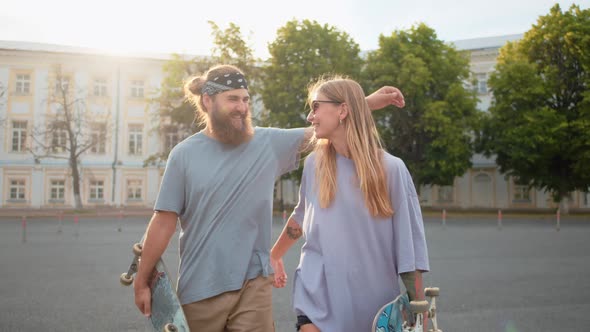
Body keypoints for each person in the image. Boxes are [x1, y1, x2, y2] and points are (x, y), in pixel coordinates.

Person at [132, 64, 406, 331]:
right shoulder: (183, 155)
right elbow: (164, 220)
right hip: (201, 289)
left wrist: (364, 103)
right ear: (207, 101)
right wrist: (143, 280)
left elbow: (327, 125)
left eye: (245, 99)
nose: (242, 106)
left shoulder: (267, 143)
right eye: (232, 99)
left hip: (254, 287)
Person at [270, 76, 430, 332]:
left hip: (373, 308)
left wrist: (420, 313)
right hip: (315, 298)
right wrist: (275, 254)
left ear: (342, 110)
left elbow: (409, 249)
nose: (310, 117)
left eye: (315, 107)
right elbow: (302, 216)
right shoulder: (313, 164)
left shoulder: (392, 169)